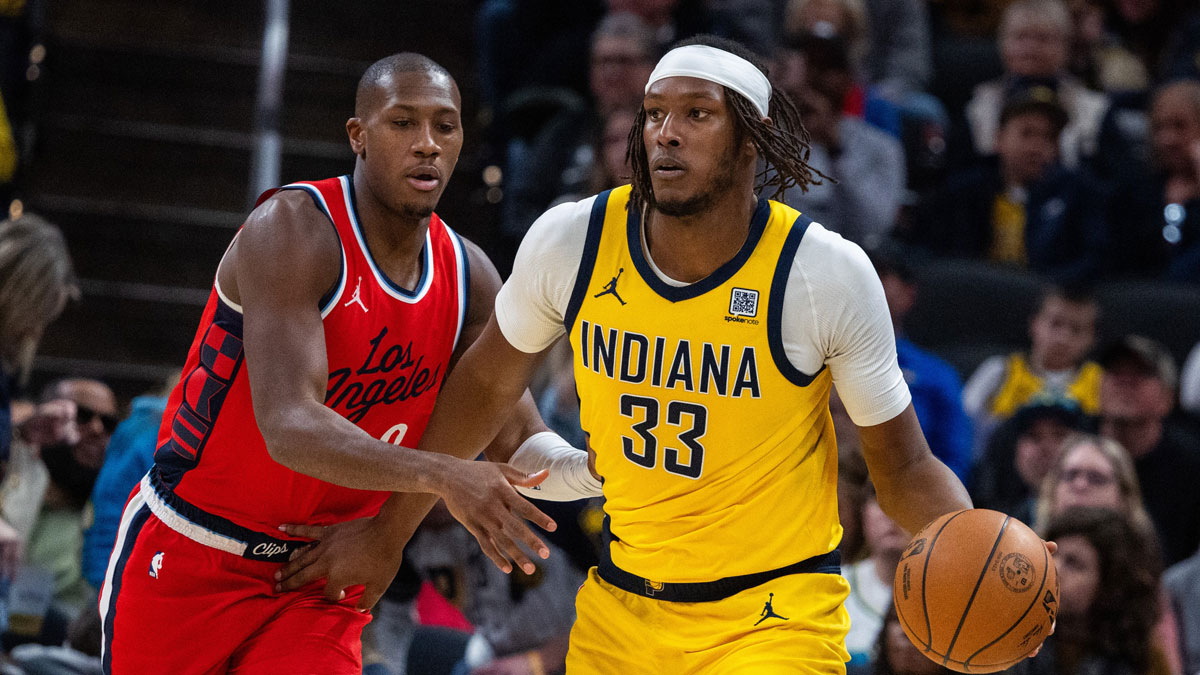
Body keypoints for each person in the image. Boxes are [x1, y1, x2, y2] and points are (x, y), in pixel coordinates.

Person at [279, 35, 1001, 674]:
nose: (665, 134)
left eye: (697, 114)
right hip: (624, 607)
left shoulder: (822, 274)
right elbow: (485, 385)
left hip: (773, 619)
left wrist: (982, 551)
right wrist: (387, 533)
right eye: (655, 113)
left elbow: (903, 465)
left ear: (751, 139)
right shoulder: (575, 240)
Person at [100, 53, 567, 675]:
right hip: (195, 550)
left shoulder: (471, 275)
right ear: (358, 136)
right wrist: (445, 476)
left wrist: (611, 473)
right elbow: (290, 425)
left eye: (445, 126)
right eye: (403, 123)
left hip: (321, 573)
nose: (427, 145)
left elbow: (519, 437)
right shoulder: (293, 230)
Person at [962, 284, 1101, 454]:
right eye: (1055, 324)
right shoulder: (998, 372)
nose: (1063, 338)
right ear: (1034, 324)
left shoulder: (1102, 383)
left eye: (1076, 329)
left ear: (1092, 339)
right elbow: (961, 431)